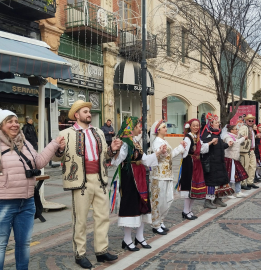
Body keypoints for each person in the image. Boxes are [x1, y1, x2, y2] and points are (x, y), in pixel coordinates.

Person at [0, 108, 64, 270]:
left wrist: (54, 144)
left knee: (24, 244)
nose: (14, 124)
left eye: (16, 121)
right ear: (1, 124)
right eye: (10, 121)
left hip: (26, 202)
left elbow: (37, 162)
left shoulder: (23, 141)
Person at [52, 100, 122, 269]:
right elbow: (56, 157)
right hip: (79, 181)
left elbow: (105, 156)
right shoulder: (65, 133)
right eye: (85, 111)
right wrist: (59, 149)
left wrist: (112, 148)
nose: (89, 114)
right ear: (77, 115)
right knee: (80, 219)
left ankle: (101, 250)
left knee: (102, 217)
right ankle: (80, 253)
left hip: (99, 179)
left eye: (89, 111)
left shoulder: (97, 131)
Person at [111, 117, 166, 251]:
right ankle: (127, 239)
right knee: (131, 206)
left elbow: (144, 159)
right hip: (129, 177)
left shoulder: (134, 141)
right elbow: (116, 161)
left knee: (142, 205)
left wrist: (158, 153)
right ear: (131, 127)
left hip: (140, 177)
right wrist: (115, 152)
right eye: (138, 126)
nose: (140, 128)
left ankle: (140, 237)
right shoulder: (125, 142)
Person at [150, 120, 186, 232]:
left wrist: (180, 147)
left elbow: (170, 155)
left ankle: (160, 221)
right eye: (164, 127)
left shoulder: (164, 140)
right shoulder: (157, 141)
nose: (166, 129)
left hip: (168, 175)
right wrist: (161, 151)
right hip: (159, 175)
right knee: (159, 200)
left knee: (167, 199)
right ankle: (155, 224)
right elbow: (159, 154)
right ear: (158, 130)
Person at [177, 119, 213, 219]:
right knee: (189, 187)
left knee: (195, 188)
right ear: (190, 126)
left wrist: (210, 143)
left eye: (197, 125)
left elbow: (201, 149)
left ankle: (189, 210)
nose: (196, 127)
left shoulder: (197, 137)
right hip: (189, 164)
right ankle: (185, 210)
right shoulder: (188, 138)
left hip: (196, 163)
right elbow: (184, 152)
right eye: (194, 125)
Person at [201, 113, 234, 209]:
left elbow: (219, 147)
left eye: (218, 122)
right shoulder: (207, 135)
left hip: (219, 162)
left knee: (220, 181)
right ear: (211, 124)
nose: (218, 124)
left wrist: (227, 144)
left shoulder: (217, 134)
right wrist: (211, 143)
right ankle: (208, 201)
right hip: (211, 163)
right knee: (211, 182)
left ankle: (218, 198)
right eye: (216, 122)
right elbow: (204, 147)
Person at [222, 124, 248, 198]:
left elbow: (236, 141)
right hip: (230, 159)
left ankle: (238, 191)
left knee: (238, 175)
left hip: (235, 159)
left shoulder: (235, 137)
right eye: (235, 129)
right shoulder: (228, 136)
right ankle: (228, 192)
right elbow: (232, 142)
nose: (237, 130)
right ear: (231, 130)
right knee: (230, 176)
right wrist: (242, 139)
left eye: (237, 129)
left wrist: (242, 138)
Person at [238, 114, 259, 189]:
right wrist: (243, 137)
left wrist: (256, 137)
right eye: (249, 120)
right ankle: (243, 183)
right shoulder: (244, 127)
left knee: (253, 166)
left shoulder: (251, 128)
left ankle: (250, 182)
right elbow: (239, 135)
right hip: (245, 151)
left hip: (251, 150)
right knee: (245, 167)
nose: (251, 122)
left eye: (252, 120)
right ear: (246, 121)